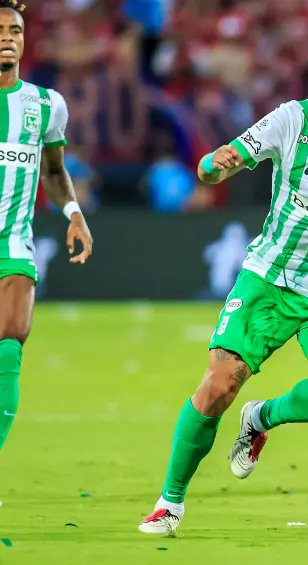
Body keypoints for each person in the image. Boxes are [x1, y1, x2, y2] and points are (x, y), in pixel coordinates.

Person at [139, 45, 308, 535]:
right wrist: (214, 165)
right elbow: (227, 159)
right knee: (218, 384)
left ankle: (260, 418)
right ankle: (169, 502)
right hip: (270, 278)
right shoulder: (292, 121)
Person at [0, 0, 93, 458]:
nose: (7, 37)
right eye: (0, 29)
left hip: (12, 244)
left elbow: (53, 171)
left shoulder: (45, 104)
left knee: (9, 347)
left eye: (15, 30)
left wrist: (73, 212)